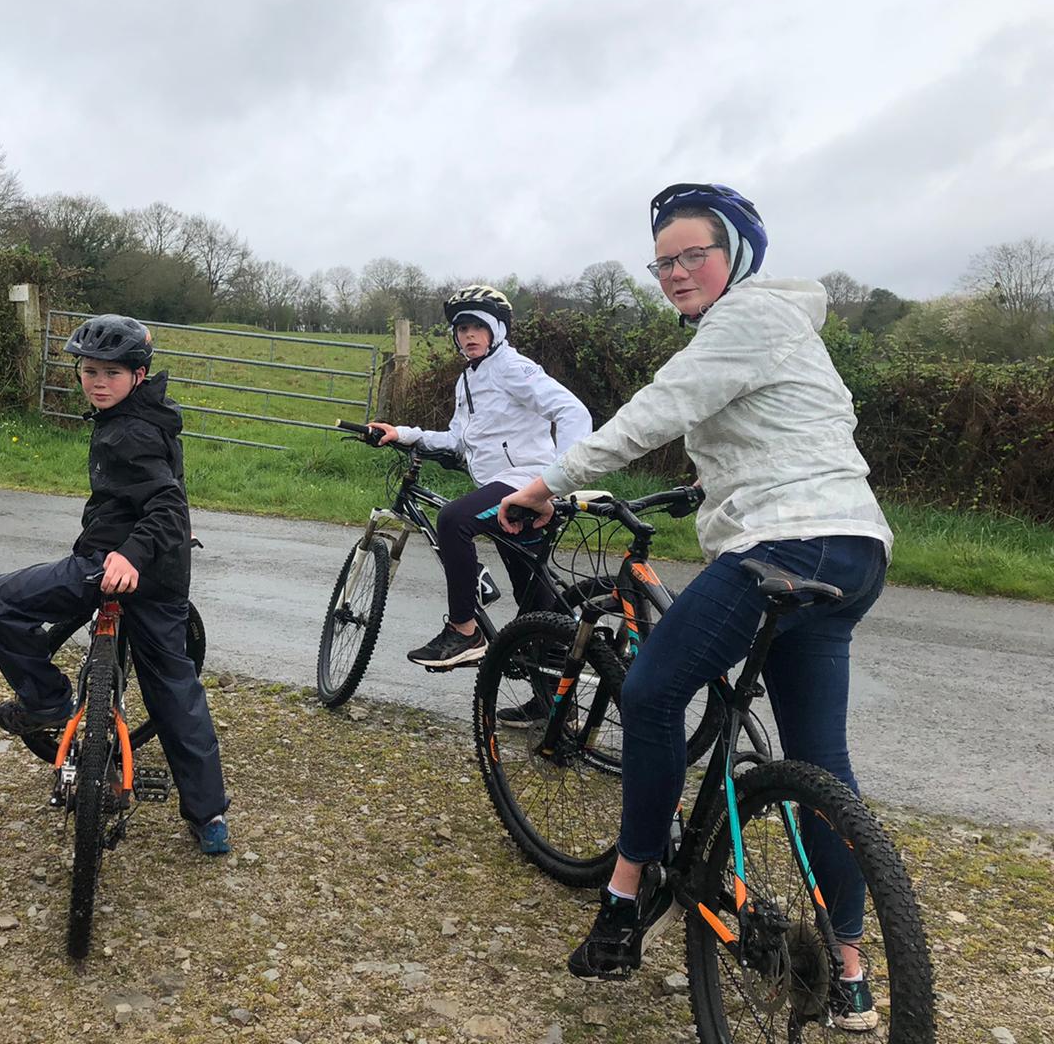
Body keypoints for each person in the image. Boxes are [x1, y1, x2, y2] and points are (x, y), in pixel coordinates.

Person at [498, 185, 890, 1031]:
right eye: (664, 261)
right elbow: (777, 437)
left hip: (784, 544)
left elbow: (657, 412)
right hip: (854, 549)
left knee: (649, 695)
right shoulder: (784, 330)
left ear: (737, 254)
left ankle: (625, 897)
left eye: (693, 255)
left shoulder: (745, 318)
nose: (676, 272)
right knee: (821, 762)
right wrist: (703, 488)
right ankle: (851, 971)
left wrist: (545, 486)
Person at [0, 314, 231, 855]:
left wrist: (128, 553)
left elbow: (167, 504)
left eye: (112, 373)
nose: (97, 382)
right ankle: (208, 816)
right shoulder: (151, 413)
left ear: (138, 375)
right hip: (164, 572)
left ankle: (46, 700)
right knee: (174, 690)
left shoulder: (130, 430)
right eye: (90, 371)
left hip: (121, 564)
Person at [367, 284, 591, 672]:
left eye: (477, 327)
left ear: (497, 331)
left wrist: (557, 483)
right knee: (533, 598)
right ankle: (553, 702)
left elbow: (574, 413)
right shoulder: (468, 380)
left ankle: (465, 631)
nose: (468, 335)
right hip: (502, 491)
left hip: (525, 483)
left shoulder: (513, 368)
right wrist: (401, 434)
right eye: (461, 329)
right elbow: (457, 439)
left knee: (453, 520)